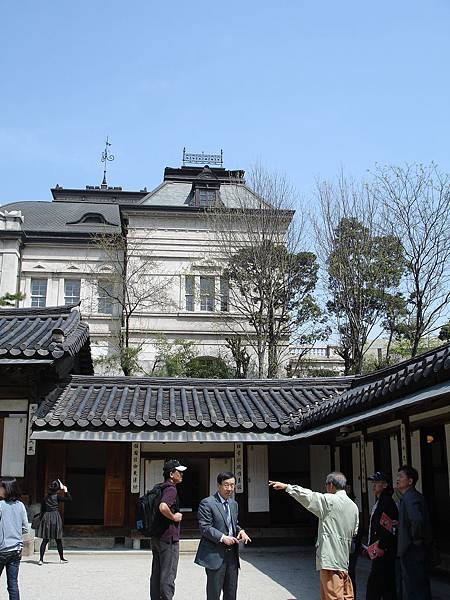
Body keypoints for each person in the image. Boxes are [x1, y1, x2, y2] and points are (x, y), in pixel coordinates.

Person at [270, 472, 359, 600]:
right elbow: (354, 532)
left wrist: (287, 487)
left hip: (330, 558)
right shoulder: (354, 507)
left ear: (330, 486)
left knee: (332, 596)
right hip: (345, 559)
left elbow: (309, 496)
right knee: (346, 595)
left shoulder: (329, 501)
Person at [195, 471, 251, 600]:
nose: (230, 489)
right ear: (218, 485)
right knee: (214, 594)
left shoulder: (233, 504)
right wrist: (223, 537)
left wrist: (240, 530)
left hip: (232, 555)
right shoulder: (207, 503)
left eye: (232, 485)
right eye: (226, 485)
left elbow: (233, 524)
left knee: (231, 592)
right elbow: (205, 527)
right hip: (215, 554)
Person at [150, 459, 187, 600]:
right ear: (171, 474)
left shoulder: (159, 487)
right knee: (168, 574)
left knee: (157, 573)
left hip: (157, 537)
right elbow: (163, 507)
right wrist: (174, 517)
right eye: (179, 472)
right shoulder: (171, 489)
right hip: (168, 538)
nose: (182, 474)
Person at [396, 465, 432, 600]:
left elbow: (416, 520)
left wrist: (415, 540)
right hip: (414, 549)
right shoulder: (414, 496)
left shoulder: (409, 497)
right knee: (419, 585)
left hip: (411, 550)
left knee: (414, 587)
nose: (397, 479)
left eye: (401, 476)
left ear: (410, 481)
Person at [365, 472, 398, 600]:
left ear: (385, 485)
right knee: (385, 583)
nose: (373, 486)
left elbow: (387, 526)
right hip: (377, 548)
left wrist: (382, 546)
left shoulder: (386, 502)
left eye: (376, 483)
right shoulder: (380, 501)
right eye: (373, 483)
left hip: (382, 550)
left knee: (376, 582)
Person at [0, 478, 28, 600]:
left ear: (7, 489)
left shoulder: (0, 505)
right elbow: (25, 528)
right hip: (16, 549)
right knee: (13, 584)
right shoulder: (20, 505)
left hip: (2, 549)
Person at [36, 479, 71, 565]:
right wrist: (65, 490)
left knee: (45, 540)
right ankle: (62, 558)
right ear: (58, 489)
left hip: (47, 517)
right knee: (58, 539)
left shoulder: (45, 497)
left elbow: (42, 509)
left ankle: (41, 559)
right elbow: (69, 499)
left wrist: (41, 518)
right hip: (55, 516)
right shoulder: (57, 497)